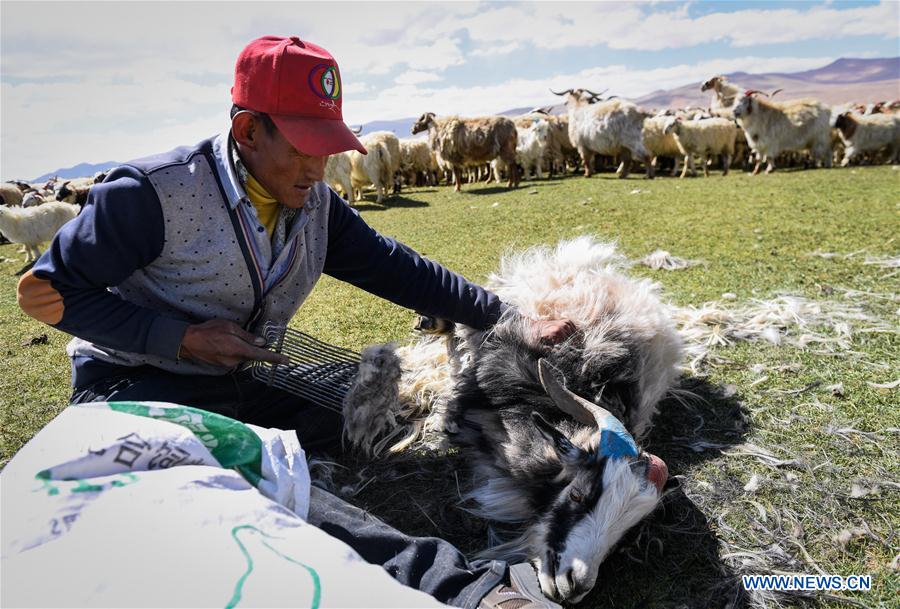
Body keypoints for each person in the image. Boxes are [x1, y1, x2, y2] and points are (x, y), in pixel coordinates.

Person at [17, 35, 573, 609]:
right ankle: (463, 589)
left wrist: (509, 317)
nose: (318, 167)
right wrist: (179, 338)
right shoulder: (152, 194)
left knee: (366, 404)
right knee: (246, 475)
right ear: (248, 132)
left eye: (327, 147)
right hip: (137, 384)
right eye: (304, 146)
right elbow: (43, 292)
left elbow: (395, 268)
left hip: (240, 378)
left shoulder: (315, 203)